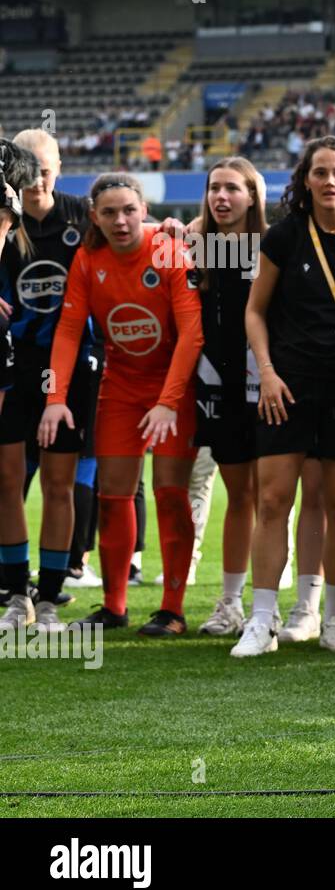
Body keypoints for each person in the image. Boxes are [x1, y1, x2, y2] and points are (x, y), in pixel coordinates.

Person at [233, 136, 335, 657]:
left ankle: (333, 620)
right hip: (288, 385)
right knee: (274, 498)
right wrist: (269, 372)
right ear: (305, 180)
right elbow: (255, 311)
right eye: (319, 172)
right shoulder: (283, 236)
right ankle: (261, 621)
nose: (329, 181)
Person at [39, 173, 202, 635]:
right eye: (109, 212)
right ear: (95, 216)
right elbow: (69, 331)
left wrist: (169, 402)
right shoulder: (88, 258)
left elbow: (192, 332)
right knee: (112, 498)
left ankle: (172, 610)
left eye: (129, 210)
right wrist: (56, 398)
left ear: (143, 210)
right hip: (121, 390)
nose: (121, 220)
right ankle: (114, 608)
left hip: (173, 389)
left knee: (170, 496)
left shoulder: (167, 250)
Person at [0, 130, 95, 631]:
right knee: (7, 480)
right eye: (28, 166)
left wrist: (169, 226)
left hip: (72, 366)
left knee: (60, 485)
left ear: (59, 166)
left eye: (46, 166)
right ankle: (18, 596)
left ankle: (52, 597)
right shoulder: (2, 217)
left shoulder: (83, 213)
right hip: (10, 363)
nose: (37, 176)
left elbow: (137, 233)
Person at [187, 157, 270, 636]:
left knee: (272, 498)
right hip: (218, 387)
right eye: (214, 188)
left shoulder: (270, 247)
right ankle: (230, 603)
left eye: (232, 189)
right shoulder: (198, 246)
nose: (222, 197)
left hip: (266, 382)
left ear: (252, 196)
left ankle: (271, 604)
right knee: (240, 496)